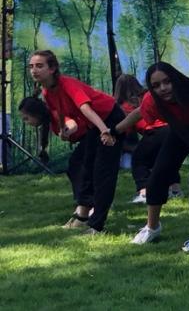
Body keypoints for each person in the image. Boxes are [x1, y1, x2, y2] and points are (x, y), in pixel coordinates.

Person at [111, 62, 189, 252]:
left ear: (175, 79)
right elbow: (137, 114)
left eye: (167, 82)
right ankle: (152, 227)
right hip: (182, 126)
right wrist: (114, 131)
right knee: (158, 174)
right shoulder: (152, 99)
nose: (163, 88)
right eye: (156, 85)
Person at [23, 50, 124, 234]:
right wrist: (64, 130)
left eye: (39, 66)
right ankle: (83, 215)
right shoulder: (47, 91)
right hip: (96, 125)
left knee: (103, 172)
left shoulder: (68, 83)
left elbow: (86, 108)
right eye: (31, 66)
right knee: (79, 163)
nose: (34, 70)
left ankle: (96, 225)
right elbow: (61, 110)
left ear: (52, 68)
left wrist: (105, 131)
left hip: (110, 119)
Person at [113, 74, 177, 204]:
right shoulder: (148, 95)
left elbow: (128, 128)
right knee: (167, 160)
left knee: (139, 160)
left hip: (154, 130)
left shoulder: (125, 106)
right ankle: (175, 190)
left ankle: (144, 192)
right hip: (171, 128)